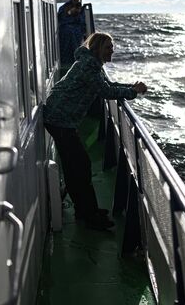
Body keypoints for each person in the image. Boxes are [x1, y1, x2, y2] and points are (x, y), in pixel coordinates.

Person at [44, 32, 148, 230]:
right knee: (79, 166)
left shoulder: (92, 64)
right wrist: (133, 92)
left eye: (112, 46)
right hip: (60, 119)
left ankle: (85, 210)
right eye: (108, 47)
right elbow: (105, 92)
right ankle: (89, 214)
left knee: (77, 166)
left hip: (61, 118)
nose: (112, 50)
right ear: (98, 49)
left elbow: (107, 85)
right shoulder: (88, 66)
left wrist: (131, 87)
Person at [57, 0, 86, 70]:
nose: (76, 1)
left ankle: (76, 61)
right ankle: (65, 62)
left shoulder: (80, 8)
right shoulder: (64, 7)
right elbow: (60, 18)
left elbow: (82, 21)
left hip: (76, 30)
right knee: (66, 45)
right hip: (65, 28)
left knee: (76, 45)